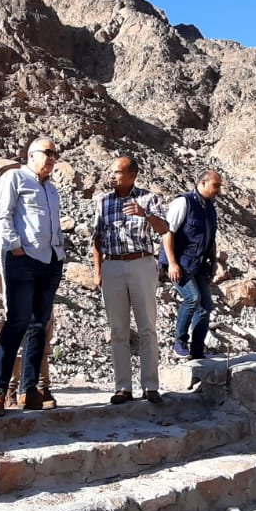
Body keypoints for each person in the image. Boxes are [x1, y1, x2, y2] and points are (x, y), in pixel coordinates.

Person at [0, 137, 66, 416]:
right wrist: (15, 247)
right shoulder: (14, 178)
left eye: (55, 154)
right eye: (48, 153)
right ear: (31, 155)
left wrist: (59, 253)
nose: (52, 158)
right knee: (17, 322)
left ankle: (28, 389)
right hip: (22, 259)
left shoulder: (51, 189)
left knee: (38, 326)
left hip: (50, 260)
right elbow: (2, 215)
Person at [91, 156, 169, 405]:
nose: (112, 176)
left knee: (147, 327)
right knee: (118, 330)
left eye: (117, 172)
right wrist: (98, 270)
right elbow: (96, 237)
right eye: (111, 172)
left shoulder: (148, 198)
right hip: (112, 265)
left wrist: (145, 214)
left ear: (132, 175)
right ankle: (123, 387)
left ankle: (150, 385)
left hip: (141, 264)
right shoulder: (104, 201)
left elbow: (164, 229)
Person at [160, 170, 223, 360]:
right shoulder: (183, 202)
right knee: (192, 298)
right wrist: (172, 263)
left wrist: (214, 261)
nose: (218, 191)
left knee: (205, 306)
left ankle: (197, 351)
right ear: (203, 183)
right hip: (180, 263)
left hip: (198, 265)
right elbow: (167, 232)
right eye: (216, 186)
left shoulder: (210, 209)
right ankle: (179, 343)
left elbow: (210, 238)